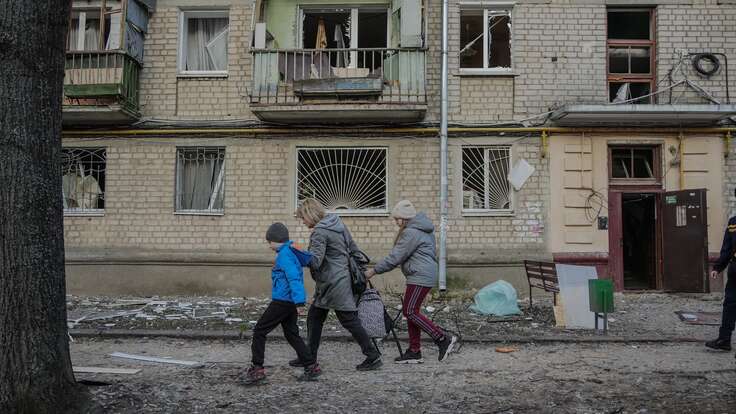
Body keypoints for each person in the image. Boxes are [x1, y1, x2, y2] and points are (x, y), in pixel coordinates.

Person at [294, 198, 382, 371]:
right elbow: (354, 249)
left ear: (309, 214)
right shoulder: (337, 223)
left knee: (349, 320)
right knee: (315, 317)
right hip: (340, 279)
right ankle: (308, 356)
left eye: (302, 218)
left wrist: (297, 253)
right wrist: (360, 271)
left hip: (333, 283)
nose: (303, 222)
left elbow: (316, 262)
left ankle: (372, 355)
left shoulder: (320, 232)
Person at [366, 200, 457, 363]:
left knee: (410, 312)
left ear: (404, 218)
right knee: (412, 311)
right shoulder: (422, 229)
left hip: (420, 275)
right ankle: (414, 351)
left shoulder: (411, 232)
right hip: (422, 274)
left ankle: (442, 339)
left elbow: (395, 257)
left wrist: (373, 271)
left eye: (397, 219)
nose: (396, 222)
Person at [241, 222, 321, 386]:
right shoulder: (289, 251)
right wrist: (296, 302)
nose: (269, 245)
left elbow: (294, 278)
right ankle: (311, 366)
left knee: (259, 331)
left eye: (269, 242)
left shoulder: (285, 255)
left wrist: (300, 302)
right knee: (292, 334)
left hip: (283, 302)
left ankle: (257, 369)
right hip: (288, 301)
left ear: (277, 240)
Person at [706, 191, 736, 357]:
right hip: (735, 272)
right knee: (730, 305)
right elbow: (727, 249)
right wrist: (717, 268)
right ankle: (724, 340)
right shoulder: (733, 223)